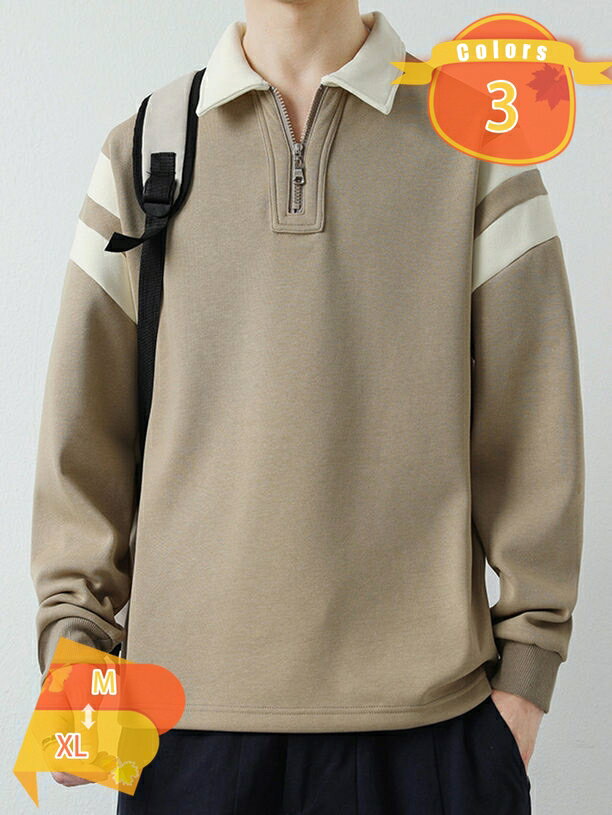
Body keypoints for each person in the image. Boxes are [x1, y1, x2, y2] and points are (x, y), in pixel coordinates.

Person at [31, 1, 585, 812]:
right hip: (180, 734)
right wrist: (74, 649)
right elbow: (84, 436)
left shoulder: (475, 142)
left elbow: (534, 421)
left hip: (430, 732)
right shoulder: (145, 147)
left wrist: (525, 685)